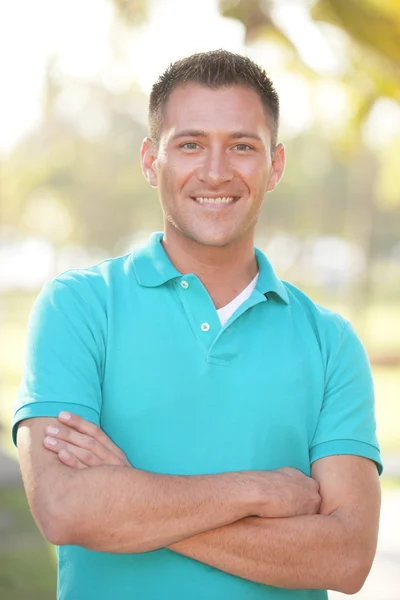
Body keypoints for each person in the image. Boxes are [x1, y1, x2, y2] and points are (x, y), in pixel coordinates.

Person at [13, 50, 382, 600]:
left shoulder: (331, 343)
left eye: (242, 146)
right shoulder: (78, 308)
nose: (215, 171)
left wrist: (130, 499)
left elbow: (348, 557)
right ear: (149, 161)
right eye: (190, 144)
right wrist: (258, 490)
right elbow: (65, 509)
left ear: (275, 165)